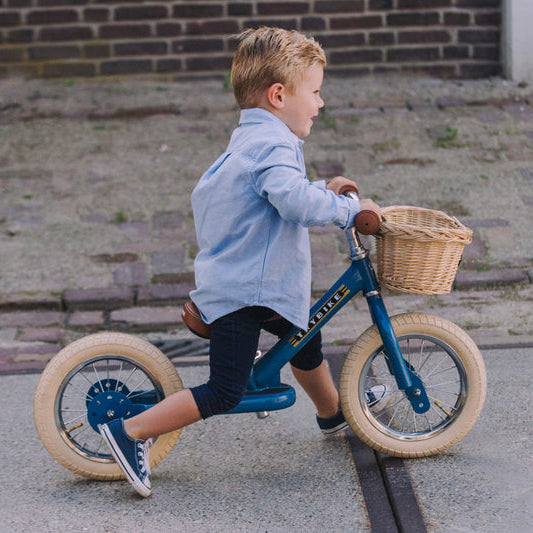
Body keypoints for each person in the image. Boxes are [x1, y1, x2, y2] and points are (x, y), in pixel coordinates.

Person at [99, 26, 380, 498]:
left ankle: (333, 413)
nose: (321, 102)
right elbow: (291, 202)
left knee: (305, 339)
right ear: (278, 95)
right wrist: (351, 211)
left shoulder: (256, 139)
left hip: (253, 283)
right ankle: (130, 433)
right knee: (225, 391)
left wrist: (322, 191)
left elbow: (280, 194)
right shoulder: (271, 146)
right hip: (245, 292)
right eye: (314, 92)